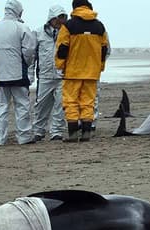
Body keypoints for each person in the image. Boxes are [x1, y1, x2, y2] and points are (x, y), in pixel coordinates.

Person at [55, 0, 109, 142]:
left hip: (72, 72)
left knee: (71, 102)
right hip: (92, 72)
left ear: (74, 8)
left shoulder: (68, 26)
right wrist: (100, 67)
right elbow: (104, 49)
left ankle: (72, 135)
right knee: (88, 102)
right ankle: (86, 133)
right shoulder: (99, 26)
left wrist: (60, 66)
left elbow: (62, 48)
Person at [0, 0, 37, 145]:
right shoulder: (21, 27)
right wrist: (25, 63)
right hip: (18, 73)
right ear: (18, 11)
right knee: (22, 105)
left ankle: (0, 138)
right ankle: (24, 136)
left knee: (1, 106)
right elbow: (29, 50)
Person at [32, 5, 68, 142]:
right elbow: (32, 55)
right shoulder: (38, 33)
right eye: (59, 18)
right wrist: (30, 74)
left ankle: (57, 132)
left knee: (60, 105)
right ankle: (38, 131)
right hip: (45, 75)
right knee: (41, 105)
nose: (61, 21)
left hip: (62, 75)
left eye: (63, 18)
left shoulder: (67, 33)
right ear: (51, 18)